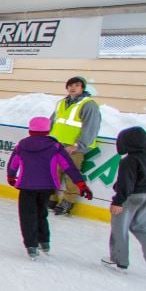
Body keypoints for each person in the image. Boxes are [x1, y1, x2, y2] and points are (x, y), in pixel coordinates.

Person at [6, 116, 91, 261]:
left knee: (28, 216)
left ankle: (31, 245)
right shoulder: (55, 146)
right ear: (48, 130)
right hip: (47, 186)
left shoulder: (22, 145)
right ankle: (44, 241)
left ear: (30, 130)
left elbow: (13, 163)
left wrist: (11, 176)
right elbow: (69, 166)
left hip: (27, 185)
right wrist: (81, 184)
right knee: (41, 212)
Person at [49, 76, 103, 216]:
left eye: (77, 85)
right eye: (70, 85)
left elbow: (91, 127)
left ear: (82, 88)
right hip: (57, 144)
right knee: (53, 171)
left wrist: (78, 145)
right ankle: (51, 198)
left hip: (73, 147)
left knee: (71, 175)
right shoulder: (61, 103)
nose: (73, 87)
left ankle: (68, 201)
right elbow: (53, 121)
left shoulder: (88, 104)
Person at [104, 126, 146, 271]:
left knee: (119, 228)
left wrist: (118, 201)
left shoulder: (129, 161)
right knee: (143, 227)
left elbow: (126, 183)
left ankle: (119, 260)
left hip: (131, 197)